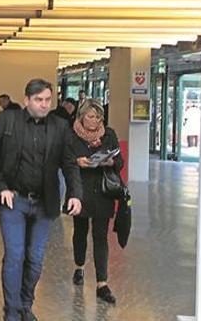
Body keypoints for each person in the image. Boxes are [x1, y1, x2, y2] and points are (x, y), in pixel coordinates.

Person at [0, 78, 83, 321]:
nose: (44, 104)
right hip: (13, 200)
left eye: (48, 100)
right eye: (39, 100)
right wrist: (1, 187)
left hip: (44, 202)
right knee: (15, 255)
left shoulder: (60, 126)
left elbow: (69, 164)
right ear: (27, 100)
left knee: (36, 258)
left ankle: (26, 304)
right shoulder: (9, 120)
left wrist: (75, 194)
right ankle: (12, 312)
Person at [66, 99, 121, 304]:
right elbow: (64, 159)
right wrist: (76, 161)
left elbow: (119, 160)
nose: (94, 121)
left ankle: (102, 283)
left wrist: (110, 161)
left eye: (98, 117)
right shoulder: (72, 135)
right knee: (80, 231)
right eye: (90, 116)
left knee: (100, 237)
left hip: (102, 192)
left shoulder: (109, 134)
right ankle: (79, 266)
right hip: (80, 191)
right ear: (81, 117)